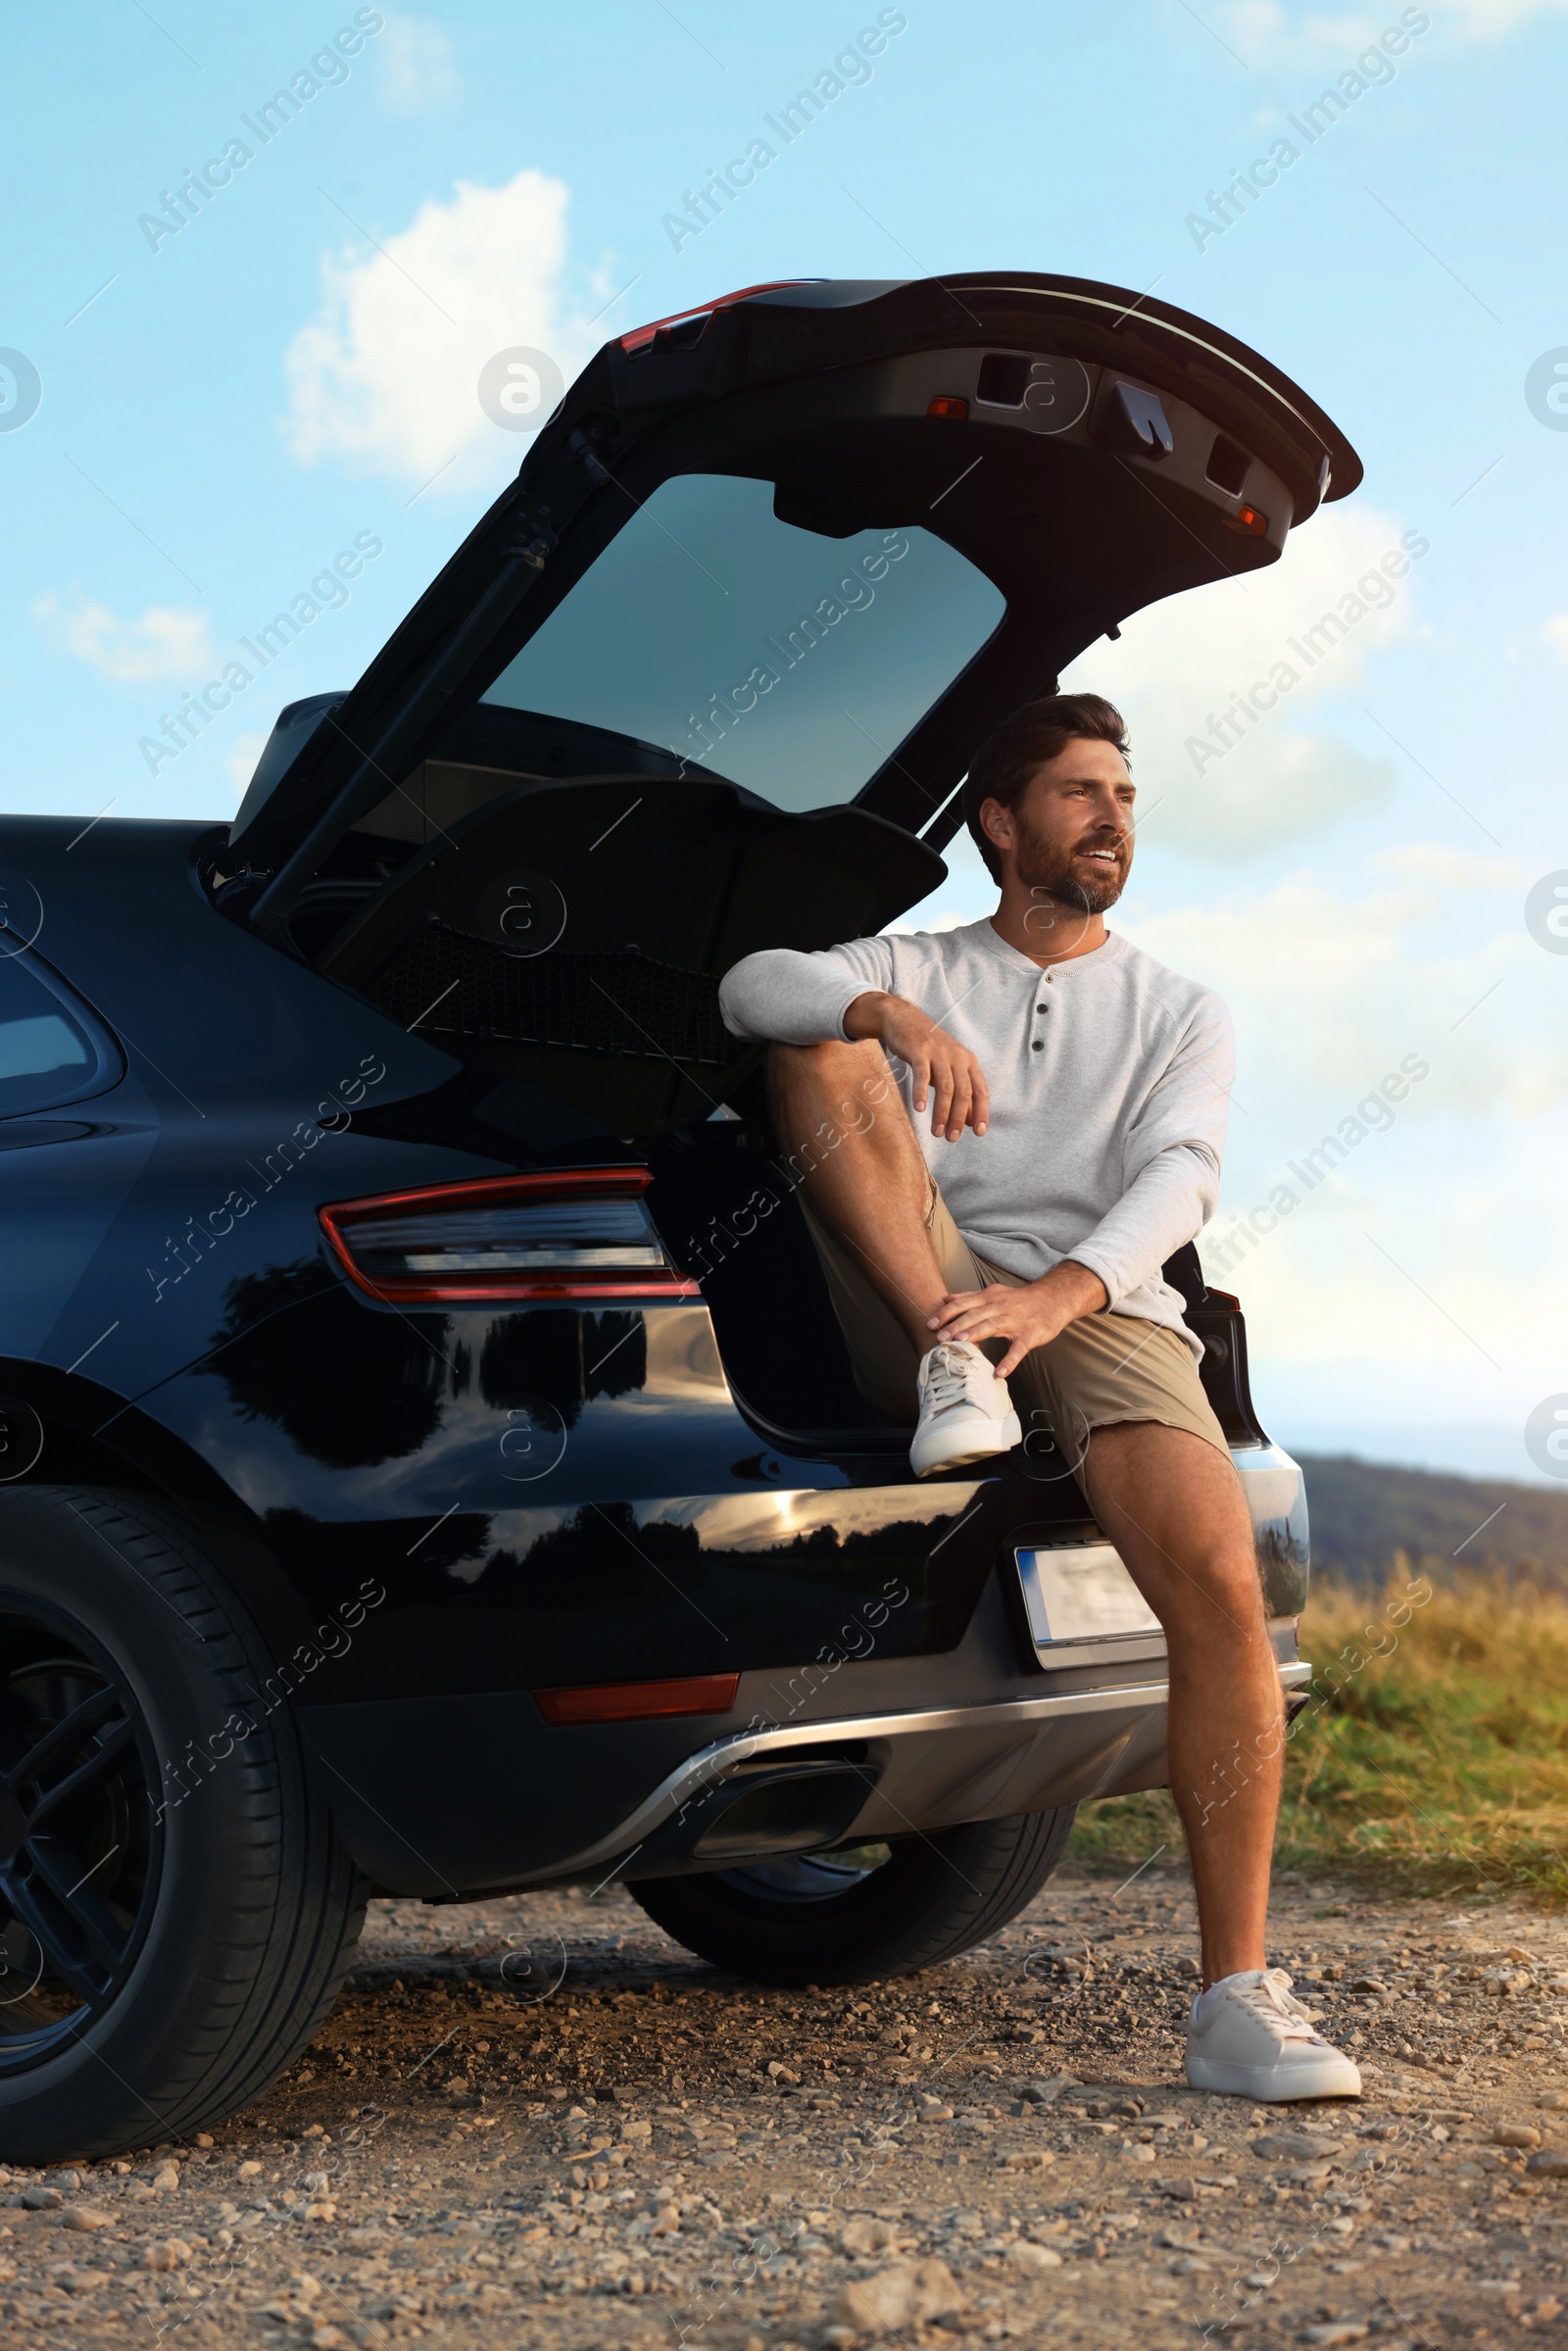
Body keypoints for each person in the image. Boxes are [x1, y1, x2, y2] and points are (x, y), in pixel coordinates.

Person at [717, 692, 1358, 2104]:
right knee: (810, 1036)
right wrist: (880, 1008)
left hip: (1098, 1301)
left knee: (1217, 1584)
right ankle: (952, 1359)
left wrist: (1057, 1298)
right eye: (1079, 793)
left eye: (1125, 793)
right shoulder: (920, 963)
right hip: (926, 1293)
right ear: (1001, 823)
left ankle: (1235, 2000)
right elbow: (751, 988)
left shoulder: (1180, 1007)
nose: (1113, 818)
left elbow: (1179, 1179)